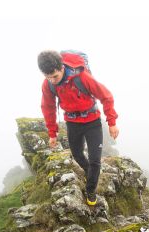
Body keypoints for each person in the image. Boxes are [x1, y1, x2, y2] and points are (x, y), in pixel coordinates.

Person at [38, 50, 119, 206]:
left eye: (54, 76)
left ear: (62, 67)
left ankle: (90, 189)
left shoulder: (81, 77)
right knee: (77, 154)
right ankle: (91, 175)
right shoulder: (48, 84)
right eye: (48, 77)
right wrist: (52, 133)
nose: (52, 81)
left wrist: (112, 122)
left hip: (92, 122)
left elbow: (106, 96)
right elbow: (48, 107)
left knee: (95, 161)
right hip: (72, 123)